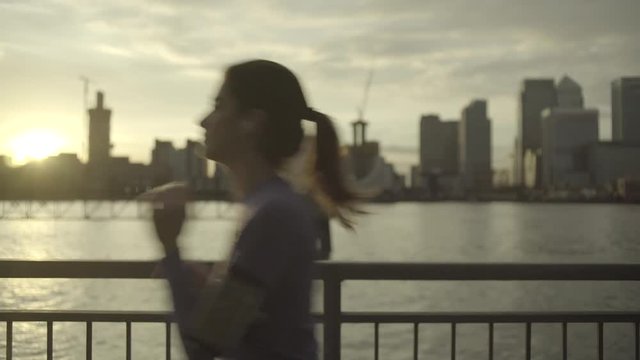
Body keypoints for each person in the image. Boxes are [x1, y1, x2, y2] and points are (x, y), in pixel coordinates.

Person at [146, 59, 360, 359]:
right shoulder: (271, 206)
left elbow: (203, 348)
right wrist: (214, 284)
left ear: (251, 122)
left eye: (219, 106)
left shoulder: (273, 214)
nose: (203, 120)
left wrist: (170, 245)